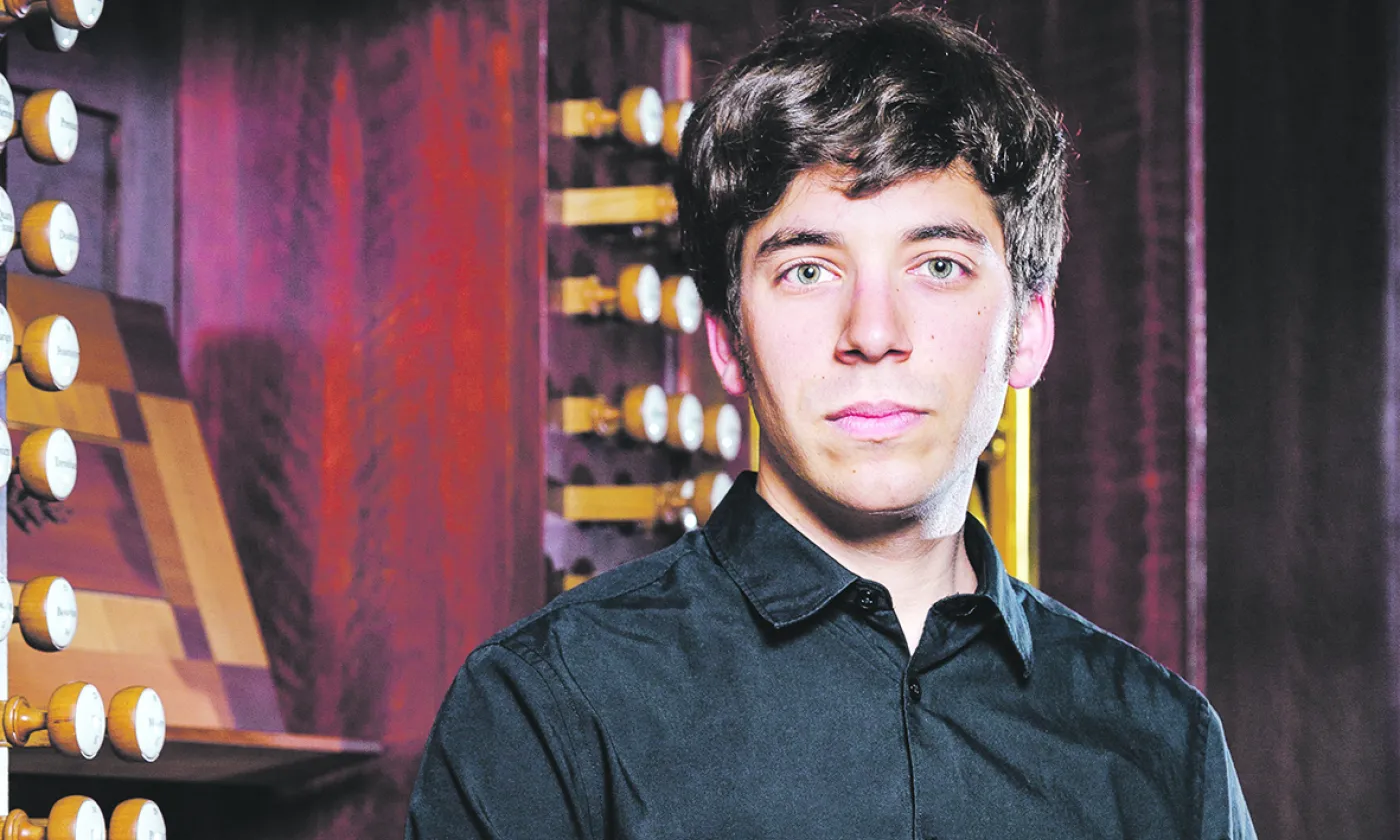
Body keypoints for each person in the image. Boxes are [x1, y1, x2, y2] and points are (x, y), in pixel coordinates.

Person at [406, 7, 1255, 839]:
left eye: (939, 265)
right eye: (809, 269)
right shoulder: (542, 711)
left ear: (1027, 334)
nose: (873, 332)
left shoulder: (1166, 746)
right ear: (729, 345)